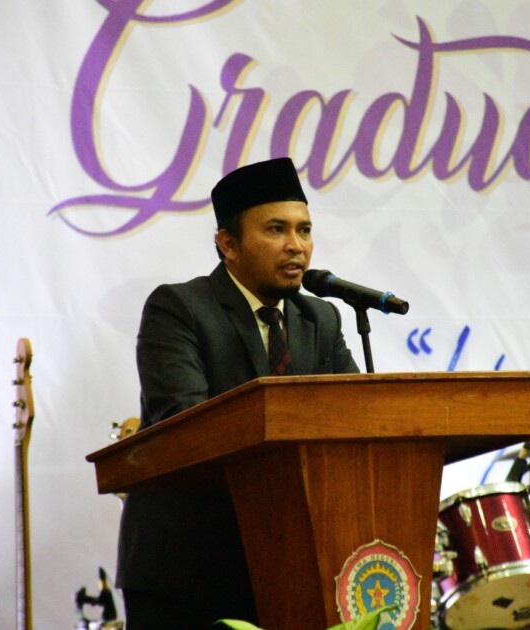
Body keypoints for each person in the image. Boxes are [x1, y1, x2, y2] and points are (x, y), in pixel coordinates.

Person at [116, 157, 360, 628]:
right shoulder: (180, 308)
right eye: (276, 229)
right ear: (228, 243)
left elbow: (355, 415)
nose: (296, 246)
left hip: (291, 559)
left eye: (305, 230)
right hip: (188, 569)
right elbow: (188, 425)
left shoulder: (320, 318)